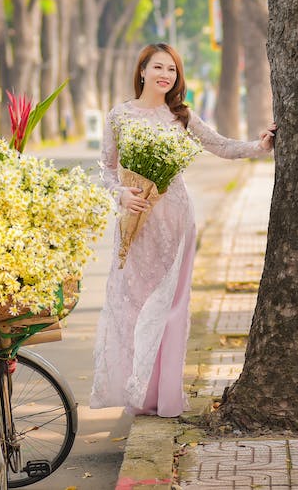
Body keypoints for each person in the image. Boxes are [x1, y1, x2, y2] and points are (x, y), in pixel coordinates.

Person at [90, 43, 277, 417]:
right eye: (158, 67)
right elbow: (106, 170)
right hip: (136, 222)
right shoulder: (119, 116)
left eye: (172, 70)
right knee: (134, 305)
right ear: (142, 70)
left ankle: (164, 396)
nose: (165, 75)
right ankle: (136, 390)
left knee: (171, 307)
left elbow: (220, 146)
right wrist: (122, 195)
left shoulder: (181, 116)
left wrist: (260, 145)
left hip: (174, 218)